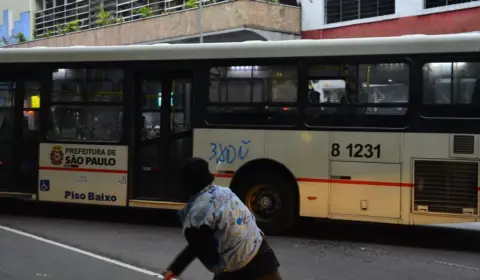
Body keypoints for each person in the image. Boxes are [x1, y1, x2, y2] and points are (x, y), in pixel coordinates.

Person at [162, 157, 282, 280]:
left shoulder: (196, 216)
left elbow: (203, 250)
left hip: (240, 268)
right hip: (263, 255)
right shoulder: (225, 192)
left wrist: (175, 268)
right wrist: (176, 267)